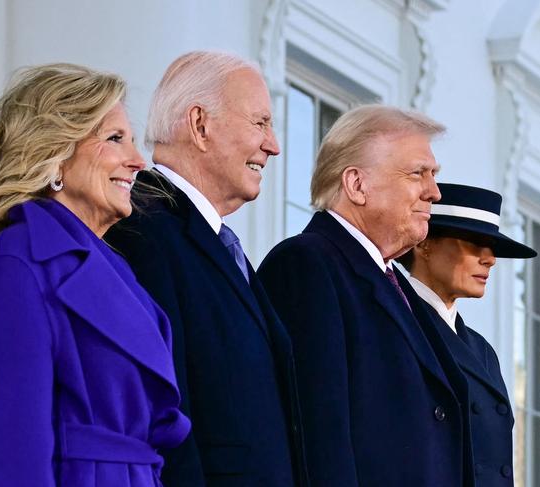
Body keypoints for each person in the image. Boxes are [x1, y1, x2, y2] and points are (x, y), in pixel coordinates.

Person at [0, 63, 190, 487]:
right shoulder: (14, 267)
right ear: (55, 156)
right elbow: (6, 460)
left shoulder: (115, 271)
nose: (138, 162)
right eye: (115, 138)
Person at [104, 51, 308, 487]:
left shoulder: (214, 242)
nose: (273, 145)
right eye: (260, 123)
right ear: (200, 125)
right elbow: (162, 413)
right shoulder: (142, 230)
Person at [258, 105, 475, 486]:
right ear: (357, 185)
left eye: (433, 175)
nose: (434, 192)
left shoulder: (395, 281)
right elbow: (319, 436)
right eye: (417, 174)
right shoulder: (307, 265)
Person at [397, 182, 536, 486]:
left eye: (493, 247)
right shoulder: (395, 325)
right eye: (474, 242)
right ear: (424, 243)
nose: (490, 259)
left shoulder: (482, 351)